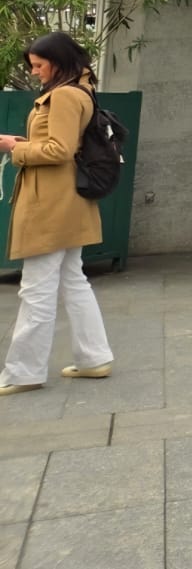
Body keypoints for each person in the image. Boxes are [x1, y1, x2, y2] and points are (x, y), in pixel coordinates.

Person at [0, 32, 115, 395]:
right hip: (67, 203)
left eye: (38, 65)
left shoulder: (64, 95)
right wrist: (24, 144)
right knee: (72, 280)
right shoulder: (78, 90)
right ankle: (94, 357)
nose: (34, 72)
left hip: (51, 204)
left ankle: (23, 372)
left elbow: (60, 150)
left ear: (58, 61)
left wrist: (12, 149)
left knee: (36, 289)